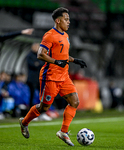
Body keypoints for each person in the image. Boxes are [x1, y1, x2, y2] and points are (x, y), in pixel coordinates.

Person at [19, 7, 87, 146]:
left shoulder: (66, 36)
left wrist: (74, 60)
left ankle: (63, 132)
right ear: (58, 20)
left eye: (69, 19)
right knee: (43, 108)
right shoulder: (49, 35)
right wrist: (56, 62)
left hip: (64, 76)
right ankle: (24, 122)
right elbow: (40, 54)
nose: (69, 22)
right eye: (66, 19)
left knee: (74, 102)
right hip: (50, 77)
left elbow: (61, 55)